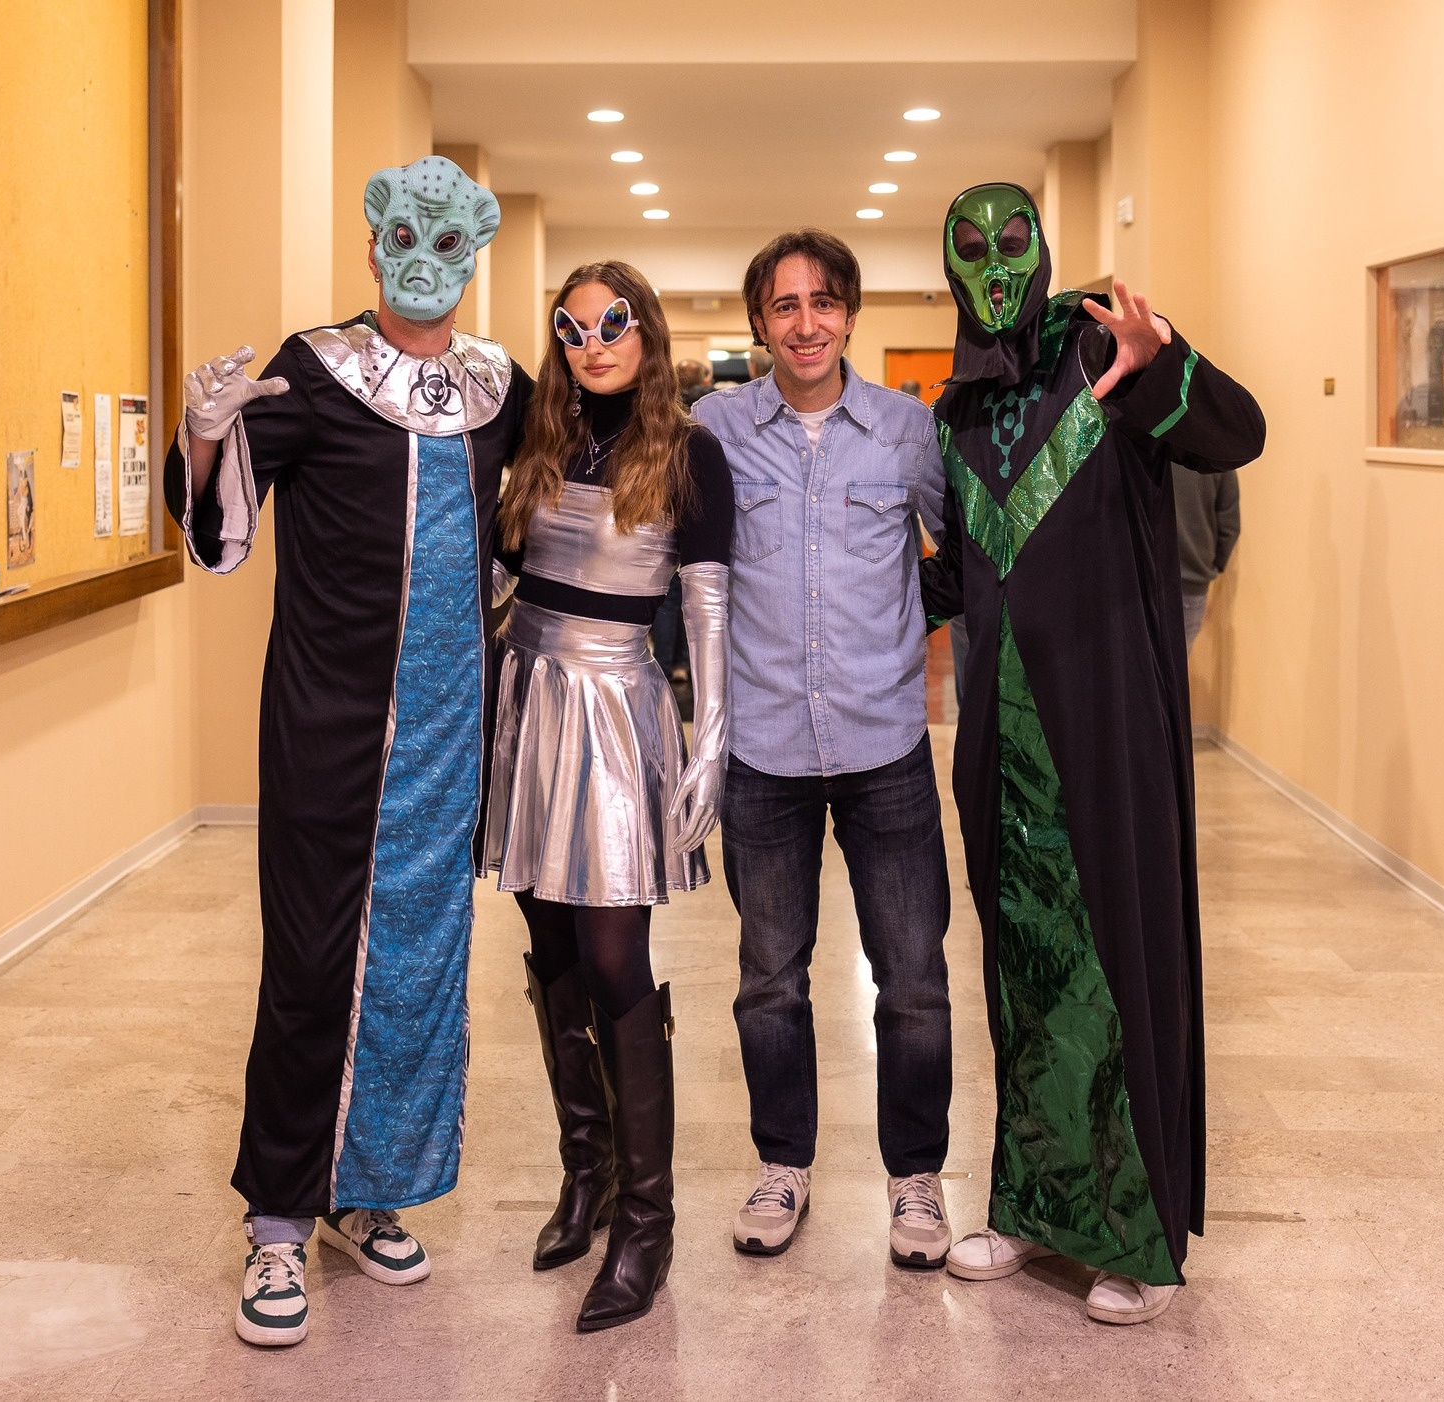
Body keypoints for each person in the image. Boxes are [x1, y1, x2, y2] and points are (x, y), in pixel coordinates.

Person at [165, 156, 532, 1349]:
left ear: (474, 252)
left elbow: (549, 513)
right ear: (372, 243)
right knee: (312, 959)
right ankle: (278, 1216)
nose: (423, 258)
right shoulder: (314, 370)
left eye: (449, 239)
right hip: (328, 725)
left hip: (448, 733)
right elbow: (220, 531)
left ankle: (368, 1188)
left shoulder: (500, 388)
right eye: (404, 235)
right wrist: (204, 434)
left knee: (419, 962)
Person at [919, 182, 1264, 1324]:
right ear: (950, 270)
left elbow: (1239, 435)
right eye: (971, 248)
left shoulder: (1102, 351)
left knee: (1119, 956)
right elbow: (961, 576)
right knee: (1022, 969)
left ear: (1041, 248)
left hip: (1107, 730)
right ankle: (1032, 1205)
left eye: (1012, 240)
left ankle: (1135, 1239)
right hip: (999, 744)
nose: (994, 264)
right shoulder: (957, 412)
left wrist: (1163, 366)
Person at [692, 230, 955, 1268]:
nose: (806, 323)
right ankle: (782, 1164)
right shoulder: (713, 430)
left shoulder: (906, 431)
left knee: (913, 978)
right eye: (784, 305)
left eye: (824, 302)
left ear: (849, 314)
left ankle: (916, 1177)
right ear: (759, 322)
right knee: (769, 976)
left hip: (884, 744)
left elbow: (959, 560)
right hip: (763, 751)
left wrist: (900, 638)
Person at [490, 260, 734, 1331]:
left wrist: (711, 742)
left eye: (613, 324)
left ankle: (647, 1220)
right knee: (546, 941)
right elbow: (498, 574)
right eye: (572, 328)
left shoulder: (688, 452)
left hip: (615, 702)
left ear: (647, 332)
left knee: (612, 954)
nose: (593, 345)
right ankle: (584, 1173)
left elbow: (708, 612)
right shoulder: (536, 439)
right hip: (527, 699)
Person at [1175, 463, 1240, 648]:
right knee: (1177, 662)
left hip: (1140, 580)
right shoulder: (1218, 454)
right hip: (1193, 582)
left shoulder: (1145, 446)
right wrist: (1212, 566)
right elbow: (1229, 527)